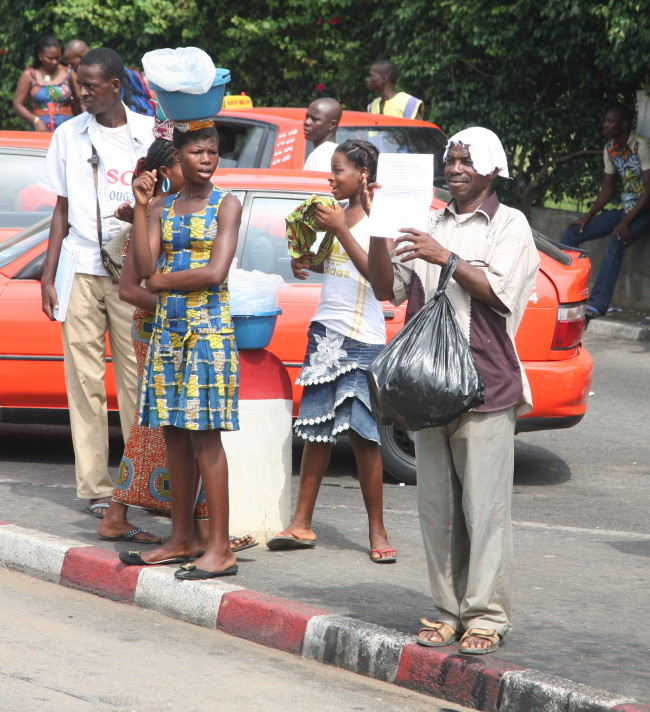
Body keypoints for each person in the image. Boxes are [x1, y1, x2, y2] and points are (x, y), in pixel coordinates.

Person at [367, 127, 539, 653]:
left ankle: (485, 615)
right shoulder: (424, 220)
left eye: (466, 161)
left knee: (484, 512)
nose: (456, 168)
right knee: (438, 509)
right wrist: (375, 225)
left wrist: (444, 257)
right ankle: (446, 610)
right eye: (451, 160)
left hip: (487, 386)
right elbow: (384, 287)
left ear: (491, 169)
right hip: (427, 389)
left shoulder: (511, 226)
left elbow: (499, 293)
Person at [98, 127, 256, 555]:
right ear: (178, 159)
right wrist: (145, 208)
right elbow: (143, 265)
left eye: (213, 151)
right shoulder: (163, 207)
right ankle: (182, 539)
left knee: (206, 436)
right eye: (197, 151)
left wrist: (162, 281)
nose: (206, 158)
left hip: (208, 330)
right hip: (167, 331)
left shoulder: (227, 203)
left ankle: (218, 549)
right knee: (172, 433)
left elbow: (214, 272)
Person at [39, 47, 154, 518]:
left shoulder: (149, 133)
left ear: (114, 86)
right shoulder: (67, 135)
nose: (80, 92)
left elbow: (165, 201)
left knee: (136, 380)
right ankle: (96, 488)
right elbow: (61, 210)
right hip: (81, 266)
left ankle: (139, 483)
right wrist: (47, 276)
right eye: (77, 84)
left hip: (132, 269)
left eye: (89, 85)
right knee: (83, 381)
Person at [267, 139, 395, 564]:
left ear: (362, 174)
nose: (331, 178)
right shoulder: (338, 215)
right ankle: (301, 522)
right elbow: (333, 259)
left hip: (364, 339)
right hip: (326, 333)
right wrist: (306, 259)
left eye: (339, 170)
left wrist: (341, 227)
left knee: (363, 437)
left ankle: (377, 530)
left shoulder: (379, 216)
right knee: (316, 430)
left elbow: (381, 282)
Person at [560, 103, 650, 319]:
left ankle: (597, 305)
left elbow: (649, 192)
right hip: (625, 210)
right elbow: (608, 188)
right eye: (605, 121)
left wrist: (626, 222)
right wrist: (587, 217)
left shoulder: (641, 145)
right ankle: (568, 293)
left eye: (610, 122)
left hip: (645, 210)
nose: (605, 125)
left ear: (624, 124)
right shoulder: (610, 148)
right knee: (571, 234)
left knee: (617, 239)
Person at [13, 35, 80, 132]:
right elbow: (18, 105)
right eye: (50, 58)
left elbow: (81, 100)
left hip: (67, 129)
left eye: (57, 58)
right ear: (40, 56)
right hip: (40, 129)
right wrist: (36, 120)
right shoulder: (30, 75)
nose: (54, 62)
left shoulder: (69, 73)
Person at [303, 98, 342, 172]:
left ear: (332, 125)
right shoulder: (337, 153)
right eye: (307, 117)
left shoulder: (319, 158)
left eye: (314, 119)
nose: (307, 122)